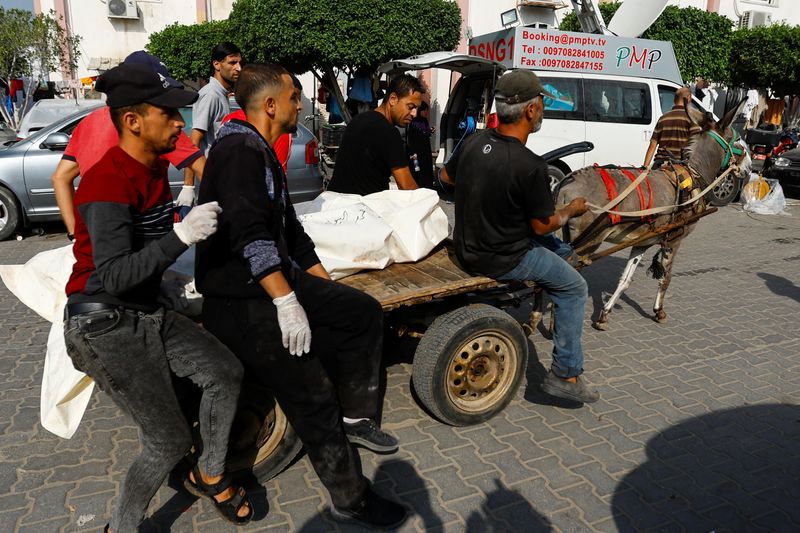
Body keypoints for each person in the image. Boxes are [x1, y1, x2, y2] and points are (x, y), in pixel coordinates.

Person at [195, 63, 407, 529]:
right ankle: (351, 499)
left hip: (275, 280)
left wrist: (320, 283)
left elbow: (289, 228)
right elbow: (250, 237)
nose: (299, 104)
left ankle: (358, 420)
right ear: (270, 104)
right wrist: (287, 303)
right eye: (294, 97)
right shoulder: (236, 152)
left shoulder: (262, 150)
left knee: (361, 312)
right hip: (242, 301)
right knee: (313, 395)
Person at [63, 63, 252, 531]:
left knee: (224, 372)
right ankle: (122, 527)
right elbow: (111, 276)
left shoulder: (153, 170)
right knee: (166, 441)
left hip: (143, 310)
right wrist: (181, 237)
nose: (179, 124)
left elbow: (141, 256)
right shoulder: (108, 180)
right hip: (103, 323)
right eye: (168, 115)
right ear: (132, 121)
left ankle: (210, 471)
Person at [441, 69, 599, 404]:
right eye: (541, 101)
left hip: (466, 246)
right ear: (530, 110)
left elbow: (445, 176)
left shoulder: (473, 141)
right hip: (504, 257)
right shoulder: (530, 166)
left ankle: (553, 301)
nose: (542, 107)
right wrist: (571, 210)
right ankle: (566, 374)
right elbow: (542, 226)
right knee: (575, 287)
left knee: (562, 251)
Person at [51, 51, 204, 237]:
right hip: (135, 239)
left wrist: (75, 232)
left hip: (97, 232)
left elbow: (60, 177)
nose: (179, 122)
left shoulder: (88, 122)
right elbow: (203, 168)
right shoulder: (156, 125)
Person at [327, 74, 423, 195]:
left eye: (417, 109)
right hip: (365, 208)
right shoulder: (388, 133)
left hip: (337, 202)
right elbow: (408, 187)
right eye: (411, 107)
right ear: (393, 99)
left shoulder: (358, 120)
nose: (414, 114)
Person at [191, 42, 242, 155]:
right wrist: (194, 173)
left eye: (239, 63)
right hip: (210, 170)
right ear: (217, 64)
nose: (238, 68)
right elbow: (194, 142)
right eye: (232, 63)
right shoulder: (211, 94)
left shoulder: (222, 93)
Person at [643, 87, 701, 168]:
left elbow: (653, 144)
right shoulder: (691, 119)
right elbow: (696, 145)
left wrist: (645, 167)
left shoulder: (663, 118)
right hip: (678, 166)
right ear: (688, 98)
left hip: (659, 165)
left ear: (674, 100)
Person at [406, 100, 435, 189]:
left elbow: (425, 132)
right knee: (417, 169)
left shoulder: (424, 121)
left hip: (425, 151)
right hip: (416, 153)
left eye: (427, 110)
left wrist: (430, 131)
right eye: (424, 110)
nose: (426, 112)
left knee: (426, 169)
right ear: (420, 110)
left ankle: (427, 187)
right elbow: (420, 133)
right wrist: (428, 131)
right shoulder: (414, 122)